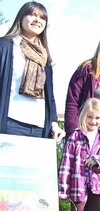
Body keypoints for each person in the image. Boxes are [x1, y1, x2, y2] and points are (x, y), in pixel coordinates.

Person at [0, 2, 64, 142]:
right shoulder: (5, 46)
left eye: (42, 18)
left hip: (39, 128)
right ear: (20, 19)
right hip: (10, 123)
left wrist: (54, 123)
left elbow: (50, 96)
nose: (37, 20)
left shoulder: (44, 57)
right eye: (32, 15)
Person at [58, 98, 100, 211]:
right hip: (77, 185)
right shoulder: (75, 136)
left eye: (97, 118)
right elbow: (66, 164)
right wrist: (62, 188)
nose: (93, 121)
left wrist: (98, 160)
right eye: (89, 117)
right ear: (83, 116)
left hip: (97, 186)